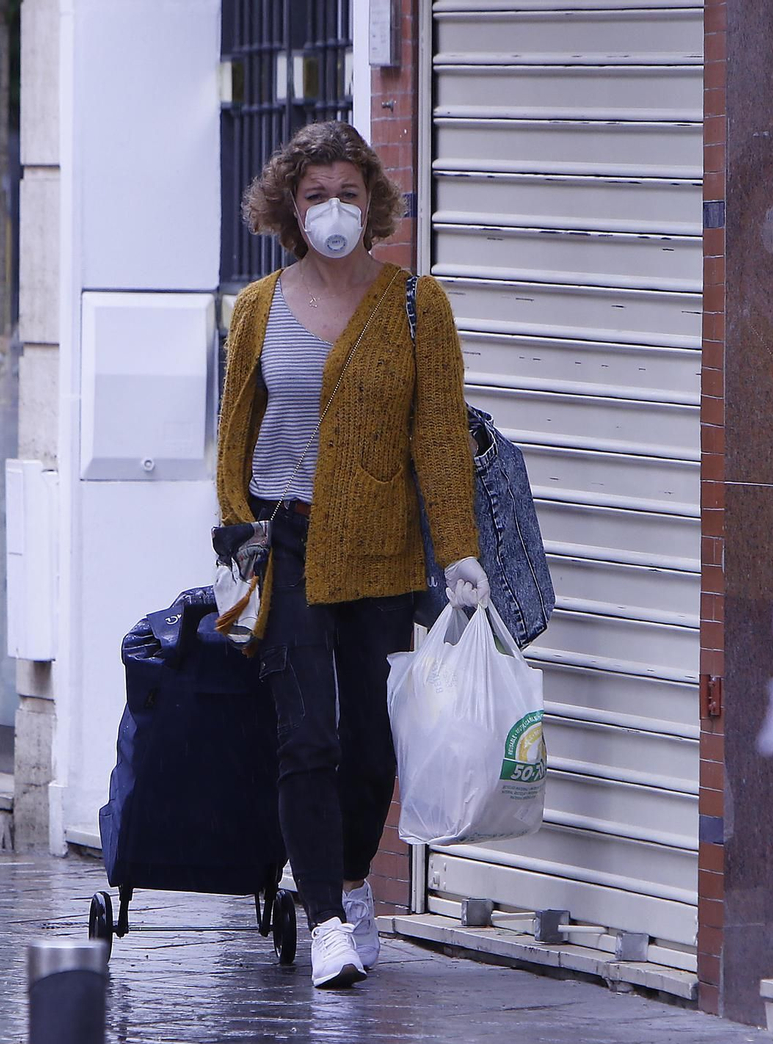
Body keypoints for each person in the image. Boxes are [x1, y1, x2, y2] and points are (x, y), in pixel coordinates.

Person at [215, 120, 488, 989]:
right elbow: (235, 435)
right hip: (285, 544)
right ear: (289, 209)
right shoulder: (256, 308)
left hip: (382, 552)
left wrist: (460, 554)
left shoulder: (416, 304)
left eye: (347, 192)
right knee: (308, 738)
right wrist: (235, 532)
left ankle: (355, 883)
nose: (333, 208)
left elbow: (439, 437)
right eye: (315, 194)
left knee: (373, 748)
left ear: (371, 201)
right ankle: (325, 920)